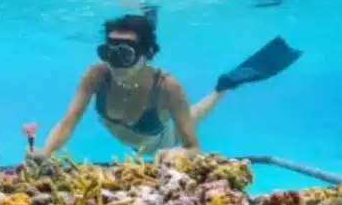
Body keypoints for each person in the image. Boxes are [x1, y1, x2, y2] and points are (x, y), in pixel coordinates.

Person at [37, 9, 301, 158]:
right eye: (109, 53)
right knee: (188, 115)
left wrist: (180, 154)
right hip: (136, 138)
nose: (115, 64)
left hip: (159, 141)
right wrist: (45, 151)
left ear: (147, 54)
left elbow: (193, 147)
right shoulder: (96, 74)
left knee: (192, 116)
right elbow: (66, 123)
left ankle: (226, 85)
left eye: (125, 55)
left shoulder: (167, 87)